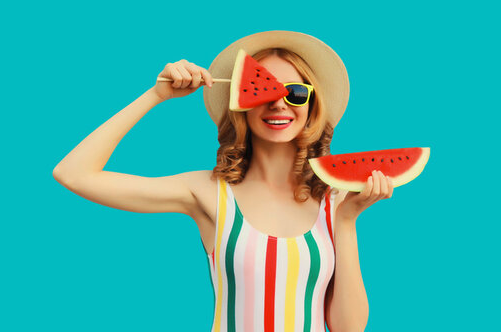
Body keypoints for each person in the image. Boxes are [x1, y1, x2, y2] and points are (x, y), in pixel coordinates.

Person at [53, 31, 393, 332]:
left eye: (295, 92)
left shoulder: (336, 200)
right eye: (261, 90)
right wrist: (155, 96)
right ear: (239, 104)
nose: (278, 102)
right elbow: (73, 174)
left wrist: (347, 222)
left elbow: (349, 328)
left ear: (312, 103)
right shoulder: (207, 193)